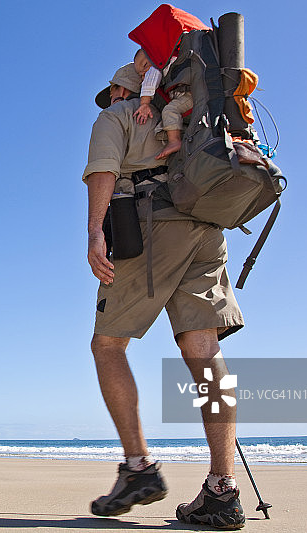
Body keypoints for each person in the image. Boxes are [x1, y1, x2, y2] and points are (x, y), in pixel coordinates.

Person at [83, 63, 246, 530]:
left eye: (111, 91)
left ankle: (138, 469)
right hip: (208, 228)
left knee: (108, 344)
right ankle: (221, 490)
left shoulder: (117, 116)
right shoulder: (196, 117)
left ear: (121, 88)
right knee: (204, 350)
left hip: (152, 225)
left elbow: (103, 170)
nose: (110, 99)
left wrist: (96, 232)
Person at [131, 48, 192, 160]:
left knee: (170, 110)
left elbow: (150, 82)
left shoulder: (158, 66)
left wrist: (144, 104)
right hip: (191, 95)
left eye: (145, 65)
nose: (144, 73)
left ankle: (174, 141)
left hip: (189, 96)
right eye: (140, 75)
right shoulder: (178, 58)